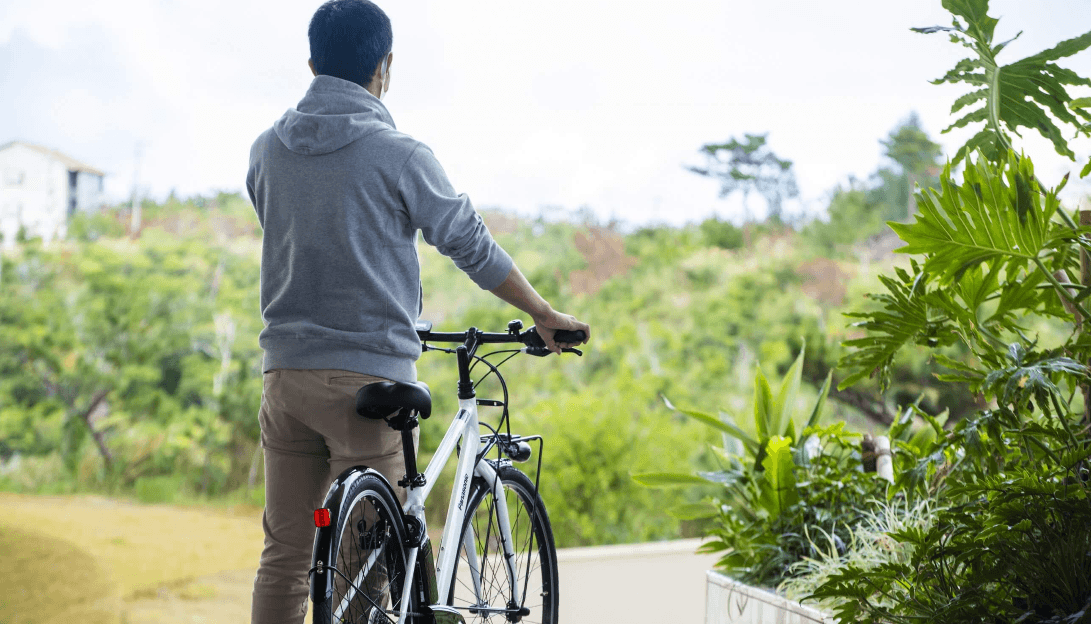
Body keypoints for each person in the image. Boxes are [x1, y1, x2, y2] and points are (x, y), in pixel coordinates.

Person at [245, 1, 590, 622]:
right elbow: (469, 243)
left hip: (285, 378)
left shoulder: (266, 150)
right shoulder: (398, 153)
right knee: (367, 572)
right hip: (366, 383)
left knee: (286, 560)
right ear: (385, 67)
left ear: (312, 63)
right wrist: (541, 311)